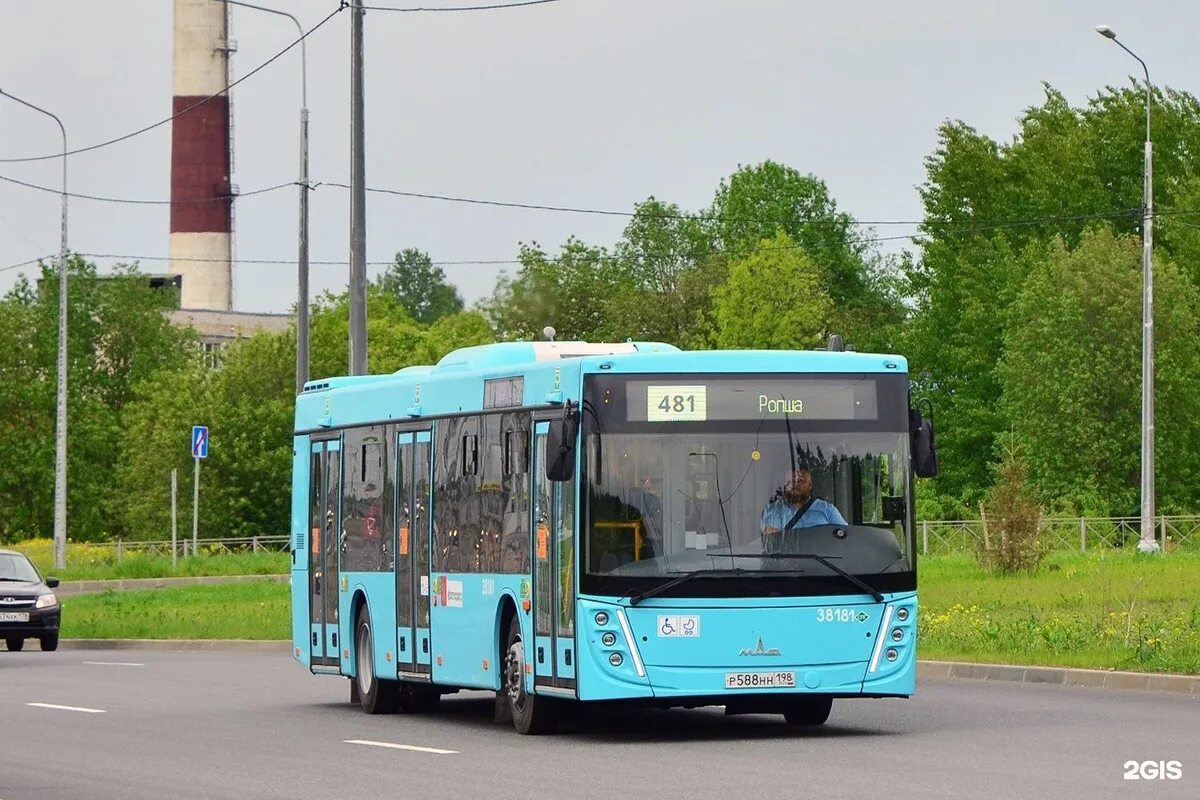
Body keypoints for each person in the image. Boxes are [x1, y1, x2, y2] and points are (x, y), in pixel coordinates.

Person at [760, 466, 847, 539]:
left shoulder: (827, 510)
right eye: (790, 481)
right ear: (784, 485)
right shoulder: (774, 510)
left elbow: (845, 538)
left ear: (810, 485)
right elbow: (771, 539)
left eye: (801, 481)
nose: (795, 485)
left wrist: (785, 534)